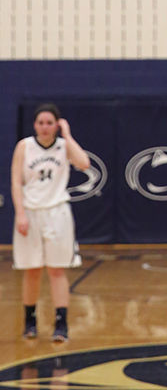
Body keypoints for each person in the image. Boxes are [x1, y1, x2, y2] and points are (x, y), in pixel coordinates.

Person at [11, 103, 90, 342]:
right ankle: (30, 320)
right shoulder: (24, 146)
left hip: (57, 213)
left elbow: (84, 163)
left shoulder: (64, 146)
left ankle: (61, 323)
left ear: (57, 124)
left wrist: (67, 135)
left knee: (56, 270)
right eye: (41, 123)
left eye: (49, 123)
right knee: (32, 270)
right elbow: (16, 182)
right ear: (35, 125)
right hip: (30, 212)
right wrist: (20, 213)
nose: (45, 127)